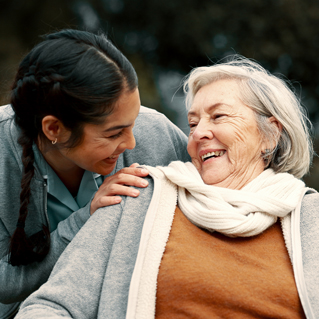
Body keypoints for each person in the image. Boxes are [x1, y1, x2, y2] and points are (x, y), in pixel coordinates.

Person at [15, 56, 319, 319]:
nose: (199, 133)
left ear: (270, 135)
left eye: (218, 116)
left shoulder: (310, 217)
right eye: (192, 123)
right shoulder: (138, 196)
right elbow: (52, 307)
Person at [0, 29, 190, 319]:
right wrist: (86, 217)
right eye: (114, 133)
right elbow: (4, 282)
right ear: (53, 129)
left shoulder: (157, 135)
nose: (131, 143)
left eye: (133, 123)